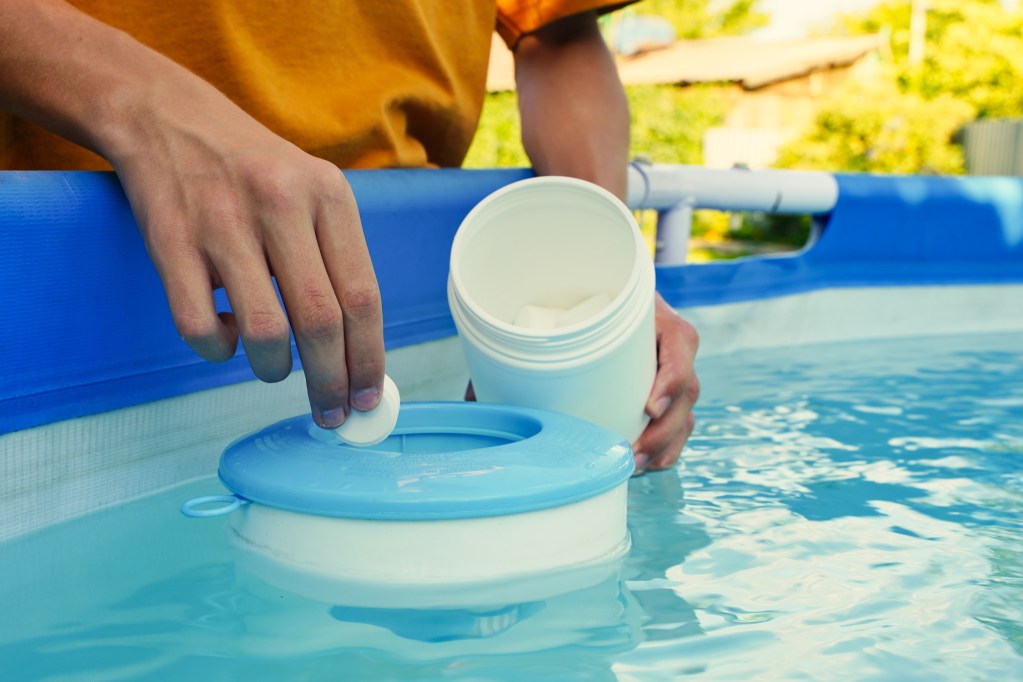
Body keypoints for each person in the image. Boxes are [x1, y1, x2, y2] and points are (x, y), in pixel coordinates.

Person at [0, 0, 699, 473]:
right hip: (60, 273)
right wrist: (144, 107)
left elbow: (555, 30)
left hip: (404, 297)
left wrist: (610, 284)